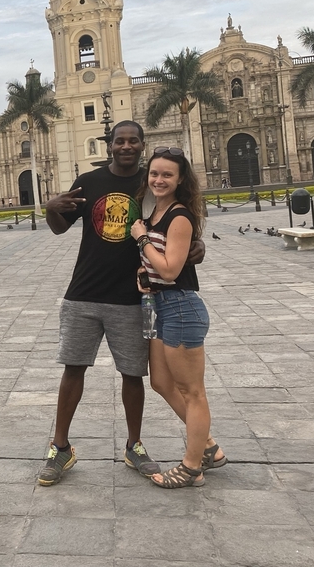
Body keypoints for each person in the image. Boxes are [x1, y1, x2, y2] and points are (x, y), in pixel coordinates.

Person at [39, 121, 204, 487]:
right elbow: (59, 226)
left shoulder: (152, 183)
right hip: (83, 292)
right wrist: (50, 207)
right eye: (119, 141)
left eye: (133, 141)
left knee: (133, 375)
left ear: (143, 145)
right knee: (73, 369)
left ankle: (134, 445)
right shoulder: (90, 182)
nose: (125, 146)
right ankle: (60, 446)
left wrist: (199, 245)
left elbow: (178, 221)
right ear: (109, 145)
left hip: (131, 297)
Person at [131, 146, 223, 488]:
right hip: (160, 305)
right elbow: (158, 268)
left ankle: (191, 466)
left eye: (167, 174)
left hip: (181, 306)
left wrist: (142, 241)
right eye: (154, 173)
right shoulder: (156, 213)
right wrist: (143, 275)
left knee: (192, 391)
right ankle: (209, 447)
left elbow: (170, 269)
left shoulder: (179, 216)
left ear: (180, 178)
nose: (159, 179)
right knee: (161, 383)